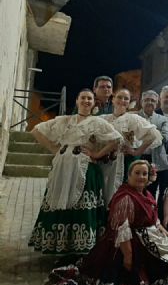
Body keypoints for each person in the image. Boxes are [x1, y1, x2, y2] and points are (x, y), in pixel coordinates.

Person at [29, 89, 122, 254]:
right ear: (77, 101)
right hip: (62, 168)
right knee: (58, 199)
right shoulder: (65, 120)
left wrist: (97, 154)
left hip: (84, 167)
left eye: (89, 99)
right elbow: (36, 130)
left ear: (94, 103)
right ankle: (59, 244)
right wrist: (54, 149)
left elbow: (116, 139)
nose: (86, 101)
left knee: (81, 203)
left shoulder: (97, 122)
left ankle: (79, 247)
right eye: (83, 98)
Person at [101, 88, 162, 205]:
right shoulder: (104, 118)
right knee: (104, 192)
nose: (122, 100)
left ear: (129, 103)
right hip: (106, 161)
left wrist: (136, 152)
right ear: (113, 99)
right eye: (119, 97)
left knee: (124, 195)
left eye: (126, 98)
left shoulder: (133, 119)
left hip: (126, 161)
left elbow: (153, 135)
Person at [138, 90, 168, 211]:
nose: (150, 102)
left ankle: (151, 217)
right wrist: (153, 134)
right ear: (141, 102)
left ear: (157, 103)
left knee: (152, 192)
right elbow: (131, 137)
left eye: (153, 100)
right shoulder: (135, 117)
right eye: (147, 100)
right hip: (139, 158)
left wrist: (144, 135)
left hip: (156, 160)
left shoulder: (162, 119)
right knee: (137, 190)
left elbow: (164, 138)